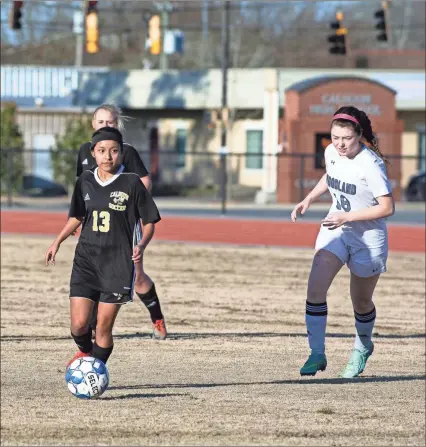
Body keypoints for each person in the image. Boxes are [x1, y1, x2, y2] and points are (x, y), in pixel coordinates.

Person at [291, 106, 395, 378]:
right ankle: (316, 353)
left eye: (346, 138)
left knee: (360, 301)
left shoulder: (371, 163)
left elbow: (387, 207)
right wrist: (309, 198)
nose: (339, 143)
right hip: (335, 228)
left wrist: (348, 216)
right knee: (315, 287)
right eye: (335, 137)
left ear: (359, 136)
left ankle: (362, 346)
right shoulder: (331, 152)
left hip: (367, 237)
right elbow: (330, 175)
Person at [46, 127, 162, 367]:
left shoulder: (131, 182)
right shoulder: (85, 180)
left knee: (102, 328)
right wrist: (57, 242)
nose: (108, 156)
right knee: (78, 326)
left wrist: (141, 244)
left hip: (117, 264)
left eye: (113, 151)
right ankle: (88, 358)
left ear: (121, 153)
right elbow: (76, 217)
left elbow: (149, 222)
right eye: (101, 151)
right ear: (93, 153)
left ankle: (95, 370)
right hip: (86, 261)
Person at [76, 104, 167, 340]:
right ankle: (95, 327)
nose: (106, 126)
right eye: (101, 122)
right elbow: (84, 189)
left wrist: (132, 204)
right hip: (96, 228)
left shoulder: (125, 152)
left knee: (136, 276)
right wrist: (80, 219)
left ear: (118, 125)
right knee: (93, 275)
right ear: (92, 124)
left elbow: (144, 181)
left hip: (124, 224)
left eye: (111, 122)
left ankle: (157, 318)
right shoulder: (85, 152)